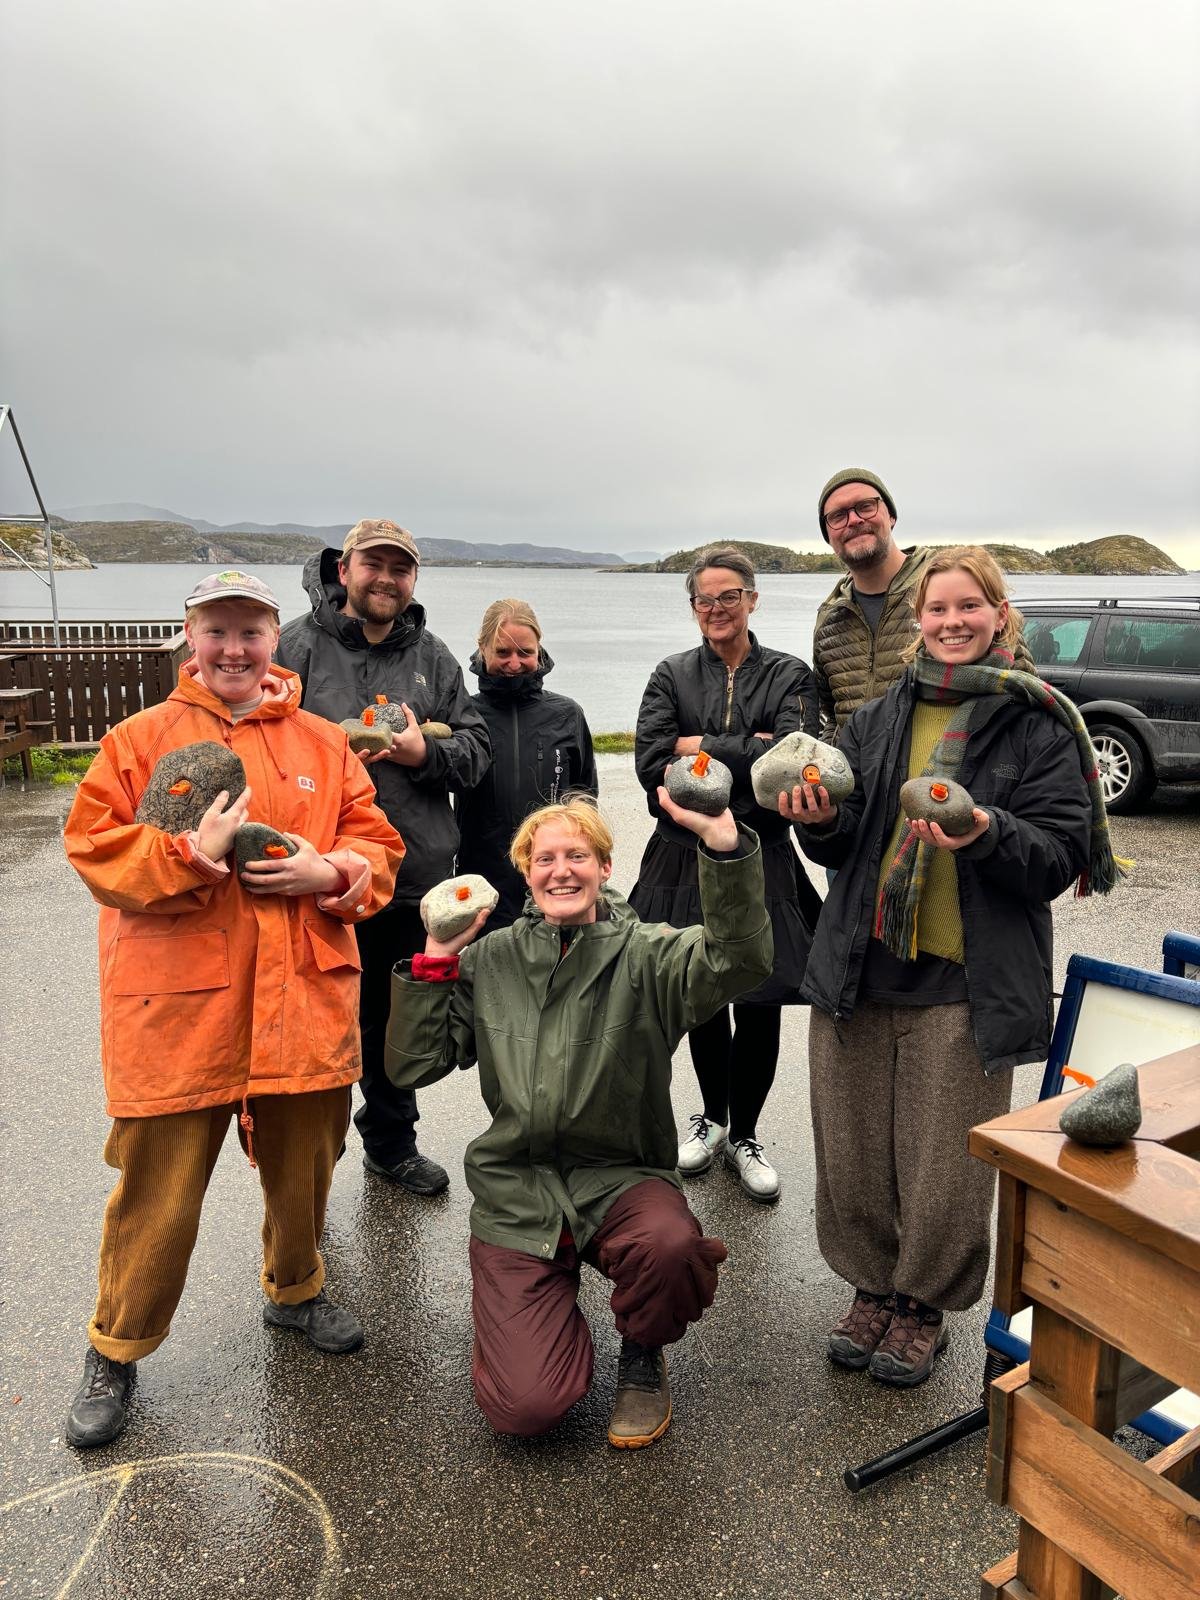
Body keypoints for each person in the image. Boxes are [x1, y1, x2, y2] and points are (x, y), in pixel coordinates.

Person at [62, 569, 404, 1449]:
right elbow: (94, 849)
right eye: (216, 630)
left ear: (274, 638)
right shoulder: (138, 739)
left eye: (250, 631)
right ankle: (117, 1345)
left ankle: (296, 1289)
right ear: (191, 637)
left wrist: (331, 870)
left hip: (303, 997)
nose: (234, 649)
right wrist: (187, 854)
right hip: (176, 1008)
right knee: (159, 1188)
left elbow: (376, 843)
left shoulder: (323, 741)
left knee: (306, 1164)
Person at [780, 547, 1124, 1387]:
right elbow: (844, 840)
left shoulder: (1040, 723)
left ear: (1000, 615)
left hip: (966, 981)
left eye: (970, 606)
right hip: (861, 967)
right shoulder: (879, 715)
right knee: (853, 1150)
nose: (952, 621)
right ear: (918, 619)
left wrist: (986, 832)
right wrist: (816, 819)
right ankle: (871, 1288)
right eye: (937, 609)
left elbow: (1058, 857)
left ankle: (923, 1308)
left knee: (944, 1168)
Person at [385, 792, 772, 1450]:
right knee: (526, 1408)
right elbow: (414, 1066)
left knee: (670, 1248)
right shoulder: (492, 959)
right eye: (544, 859)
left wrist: (725, 849)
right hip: (518, 1189)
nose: (561, 870)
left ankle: (644, 1348)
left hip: (622, 1177)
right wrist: (437, 955)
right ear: (525, 872)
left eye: (577, 856)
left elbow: (740, 960)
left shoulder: (648, 955)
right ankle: (533, 1322)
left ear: (604, 867)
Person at [275, 520, 490, 1197]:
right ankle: (312, 1154)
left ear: (413, 580)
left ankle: (391, 1144)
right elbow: (257, 742)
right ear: (344, 570)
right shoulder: (292, 647)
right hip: (316, 874)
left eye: (401, 569)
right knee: (317, 1021)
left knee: (395, 1018)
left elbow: (476, 753)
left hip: (410, 874)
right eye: (374, 565)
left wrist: (423, 753)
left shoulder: (435, 658)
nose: (386, 579)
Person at [628, 546, 822, 1204]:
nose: (717, 609)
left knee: (760, 994)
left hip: (762, 849)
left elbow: (789, 762)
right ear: (693, 607)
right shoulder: (671, 673)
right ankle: (711, 1119)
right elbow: (650, 761)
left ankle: (746, 1134)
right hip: (680, 854)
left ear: (752, 599)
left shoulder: (789, 673)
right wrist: (747, 748)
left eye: (729, 596)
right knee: (701, 991)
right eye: (704, 600)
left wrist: (698, 745)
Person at [812, 469, 1034, 737]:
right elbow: (831, 714)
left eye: (866, 506)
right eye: (838, 516)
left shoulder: (948, 583)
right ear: (828, 534)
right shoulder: (829, 618)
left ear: (891, 516)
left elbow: (1022, 688)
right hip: (857, 762)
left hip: (947, 759)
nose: (854, 520)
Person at [458, 598, 598, 929]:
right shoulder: (464, 714)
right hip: (483, 878)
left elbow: (586, 799)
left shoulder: (567, 714)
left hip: (555, 875)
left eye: (525, 652)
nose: (514, 663)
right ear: (482, 649)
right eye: (503, 652)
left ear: (539, 651)